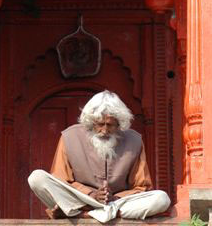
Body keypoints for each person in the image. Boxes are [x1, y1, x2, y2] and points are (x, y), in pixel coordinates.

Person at [28, 90, 171, 223]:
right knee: (36, 177)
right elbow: (61, 179)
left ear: (119, 124)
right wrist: (91, 194)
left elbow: (142, 186)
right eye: (100, 124)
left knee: (162, 199)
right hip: (79, 199)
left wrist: (115, 197)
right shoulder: (70, 137)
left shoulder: (134, 140)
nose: (104, 131)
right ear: (90, 122)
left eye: (110, 125)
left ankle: (81, 215)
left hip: (116, 203)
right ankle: (88, 211)